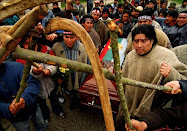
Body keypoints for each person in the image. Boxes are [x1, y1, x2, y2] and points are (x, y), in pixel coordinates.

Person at [116, 24, 187, 130]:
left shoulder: (166, 55)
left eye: (144, 41)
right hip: (128, 106)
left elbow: (183, 79)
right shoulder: (130, 56)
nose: (139, 45)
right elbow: (123, 81)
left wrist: (171, 73)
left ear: (152, 40)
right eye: (136, 41)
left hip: (151, 112)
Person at [0, 62, 46, 131]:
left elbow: (32, 83)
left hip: (33, 108)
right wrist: (7, 108)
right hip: (16, 119)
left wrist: (25, 98)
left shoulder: (16, 66)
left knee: (41, 125)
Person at [52, 31, 89, 109]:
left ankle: (75, 101)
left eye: (72, 37)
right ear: (63, 36)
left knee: (75, 91)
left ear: (76, 37)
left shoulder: (82, 47)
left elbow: (86, 63)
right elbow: (53, 63)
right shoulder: (56, 47)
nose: (69, 40)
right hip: (62, 76)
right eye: (66, 37)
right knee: (65, 88)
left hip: (77, 75)